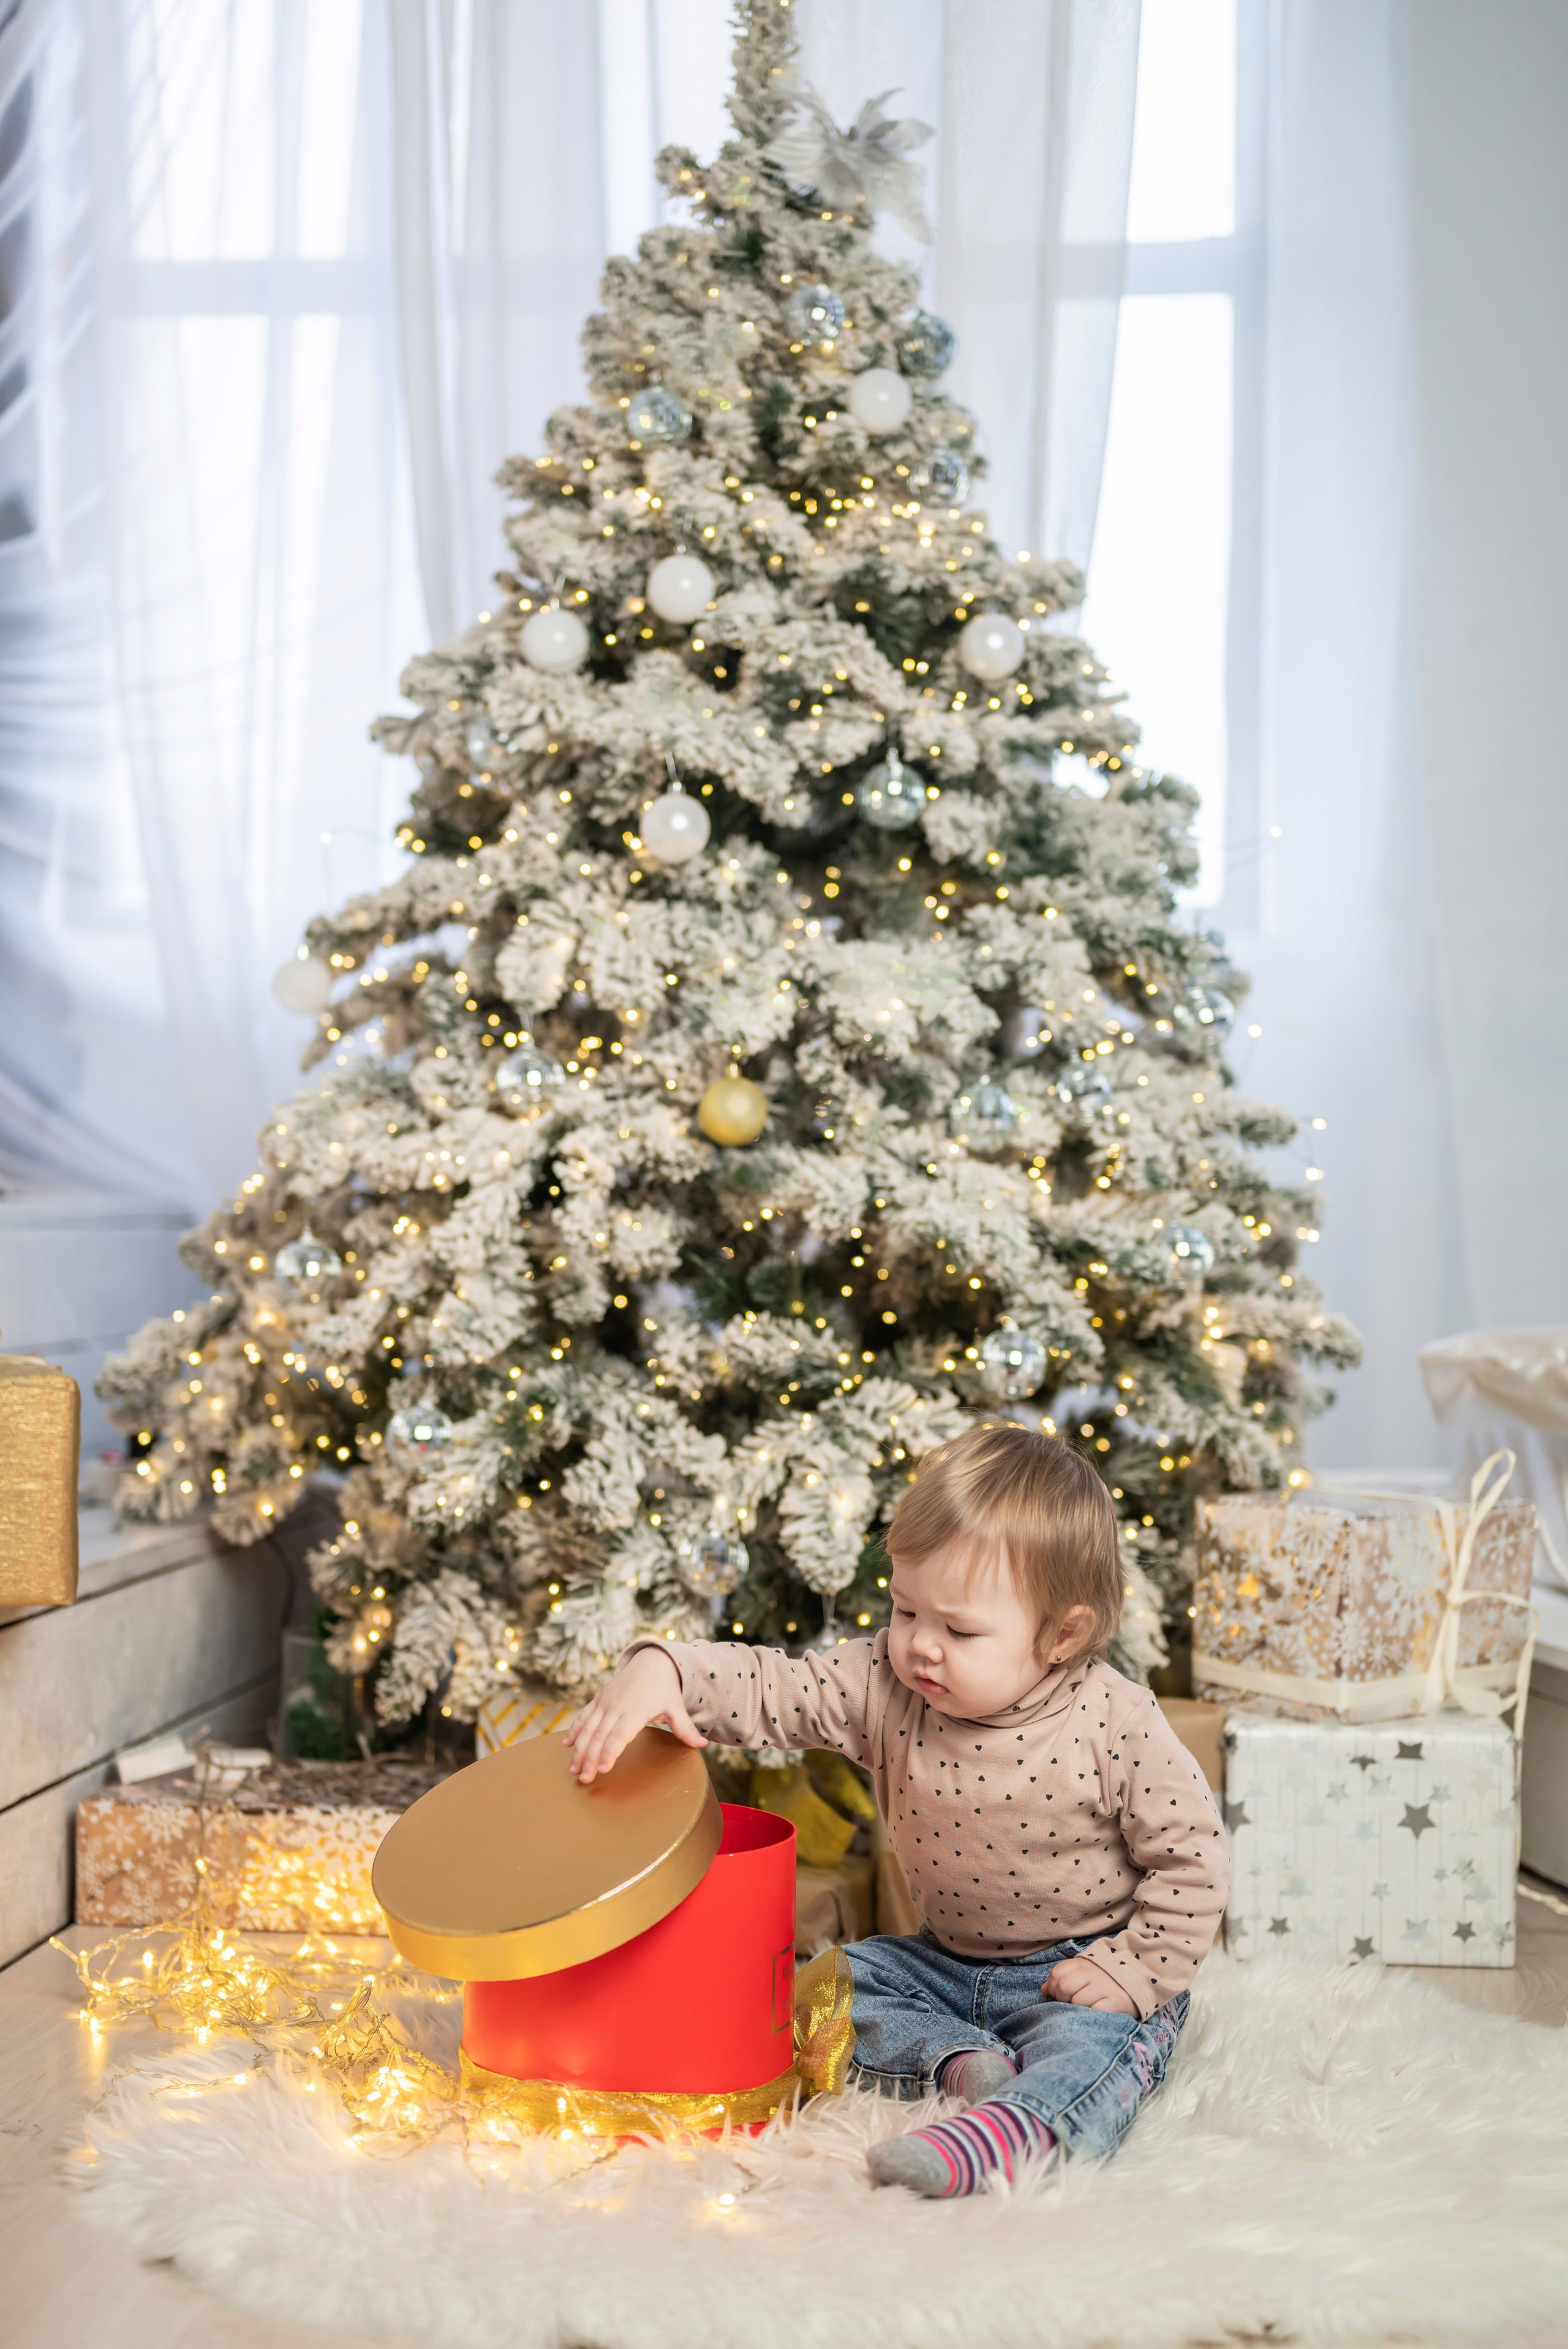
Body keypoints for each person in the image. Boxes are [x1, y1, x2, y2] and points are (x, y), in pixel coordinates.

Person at [566, 1421, 1229, 2196]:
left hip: (1078, 1968)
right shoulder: (885, 1683)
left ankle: (1013, 2131)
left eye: (959, 1629)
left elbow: (1194, 1859)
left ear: (1062, 1635)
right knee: (828, 1985)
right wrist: (666, 1670)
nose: (919, 1646)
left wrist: (1134, 1969)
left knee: (1101, 2053)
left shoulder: (1116, 1723)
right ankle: (957, 2061)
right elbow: (779, 1688)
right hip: (943, 1963)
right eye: (905, 1610)